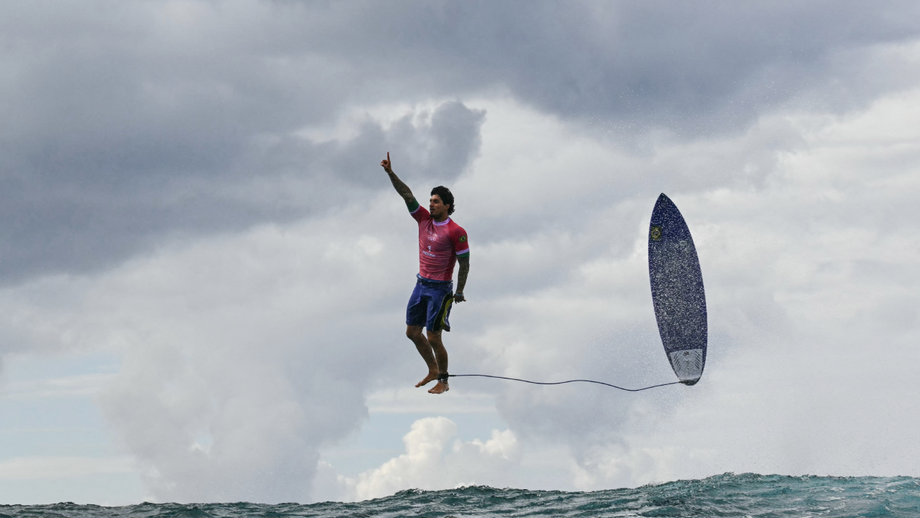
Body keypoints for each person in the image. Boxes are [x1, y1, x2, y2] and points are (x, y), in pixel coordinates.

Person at [380, 152, 470, 394]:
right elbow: (406, 194)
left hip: (440, 290)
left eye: (436, 202)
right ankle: (432, 369)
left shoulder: (456, 231)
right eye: (430, 201)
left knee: (433, 337)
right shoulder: (423, 219)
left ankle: (444, 380)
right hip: (421, 284)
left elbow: (465, 263)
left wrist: (459, 290)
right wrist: (390, 173)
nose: (431, 204)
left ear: (447, 206)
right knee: (412, 332)